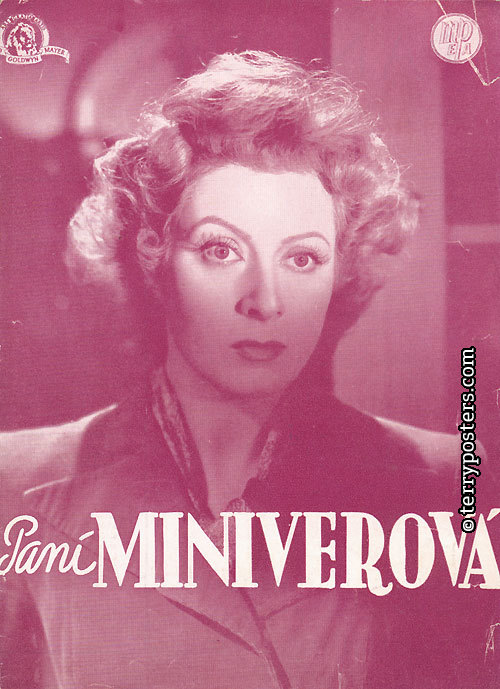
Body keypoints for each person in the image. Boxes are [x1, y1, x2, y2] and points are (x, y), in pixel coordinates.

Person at [0, 51, 496, 689]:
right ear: (153, 254)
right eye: (220, 249)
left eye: (302, 259)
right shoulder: (13, 486)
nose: (264, 301)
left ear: (341, 273)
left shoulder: (444, 485)